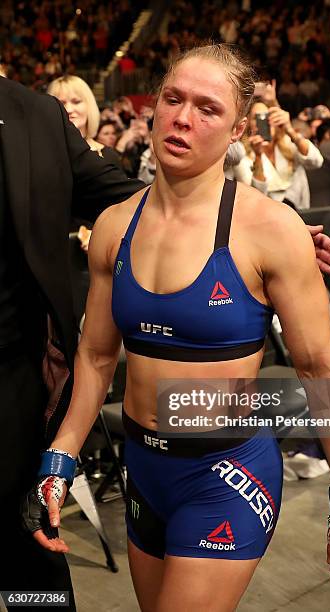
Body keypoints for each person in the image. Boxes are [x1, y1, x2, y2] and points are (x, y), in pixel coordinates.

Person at [29, 45, 330, 611]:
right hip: (144, 467)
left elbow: (319, 366)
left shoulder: (271, 229)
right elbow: (97, 357)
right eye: (172, 99)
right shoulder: (113, 226)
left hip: (227, 474)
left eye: (207, 108)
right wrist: (61, 456)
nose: (183, 118)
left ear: (239, 128)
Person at [0, 74, 143, 609]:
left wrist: (264, 228)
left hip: (12, 380)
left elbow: (133, 200)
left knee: (29, 556)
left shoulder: (36, 115)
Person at [234, 100, 323, 209]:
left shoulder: (288, 142)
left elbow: (316, 161)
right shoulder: (241, 154)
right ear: (247, 124)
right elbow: (256, 194)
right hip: (268, 215)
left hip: (301, 214)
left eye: (268, 116)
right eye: (257, 117)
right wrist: (258, 156)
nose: (264, 121)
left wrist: (290, 129)